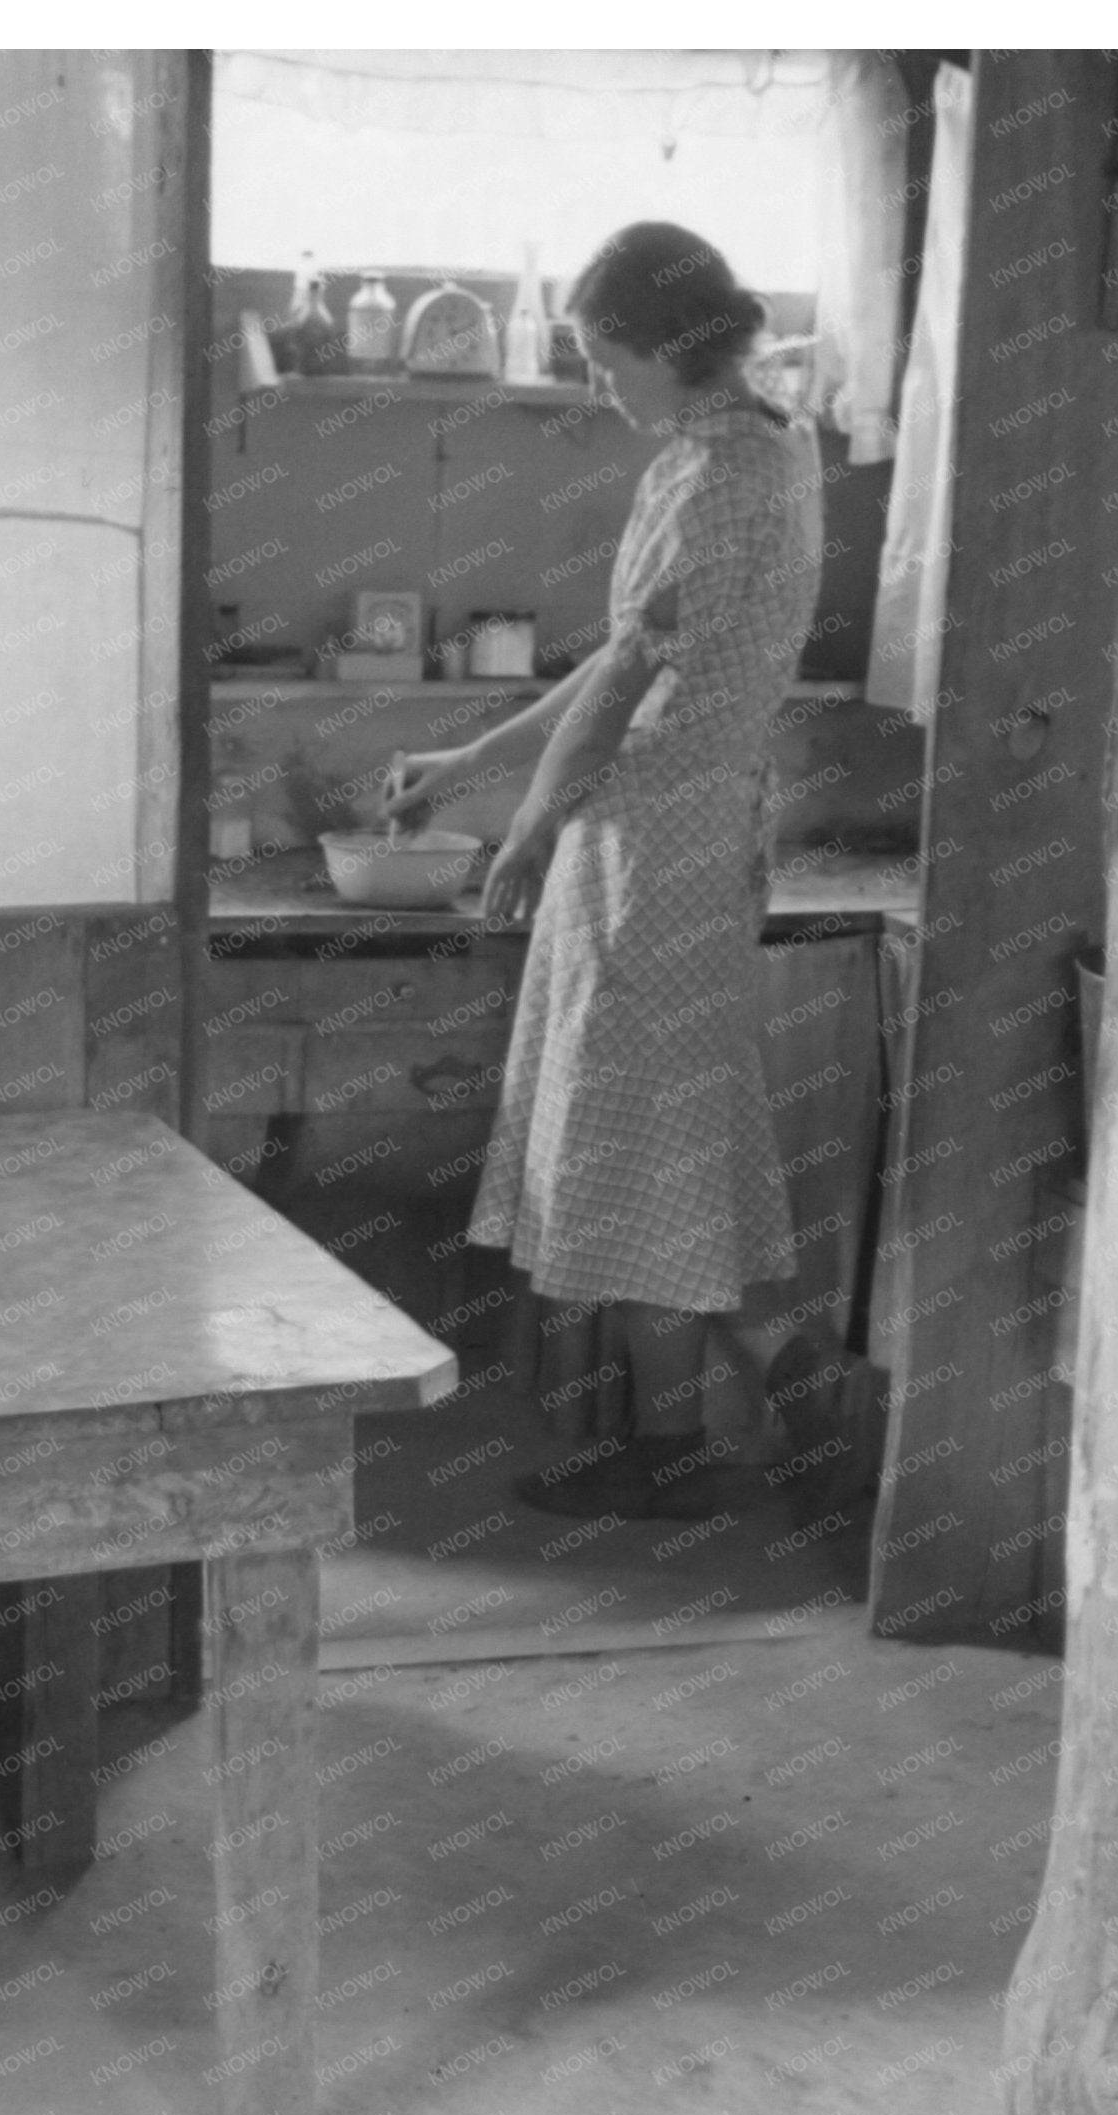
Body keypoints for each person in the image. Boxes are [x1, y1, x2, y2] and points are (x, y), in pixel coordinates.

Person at [384, 222, 840, 1522]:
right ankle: (726, 1413)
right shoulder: (765, 446)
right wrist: (481, 756)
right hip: (684, 837)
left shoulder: (712, 474)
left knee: (646, 1145)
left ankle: (704, 1435)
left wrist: (530, 824)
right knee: (661, 1141)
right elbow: (624, 651)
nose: (597, 384)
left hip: (655, 850)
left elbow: (635, 670)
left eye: (603, 357)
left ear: (667, 344)